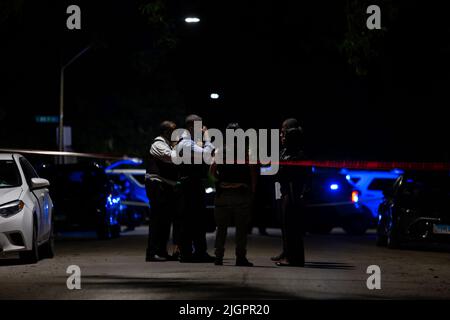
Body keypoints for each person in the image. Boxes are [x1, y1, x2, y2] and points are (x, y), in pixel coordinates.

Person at [210, 123, 258, 267]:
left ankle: (218, 257)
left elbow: (211, 172)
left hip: (223, 194)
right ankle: (240, 257)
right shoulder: (248, 152)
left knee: (221, 228)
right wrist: (252, 190)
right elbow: (253, 172)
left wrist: (219, 184)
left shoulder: (219, 151)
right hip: (241, 193)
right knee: (241, 229)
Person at [175, 114, 215, 263]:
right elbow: (207, 154)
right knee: (188, 220)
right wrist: (207, 138)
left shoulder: (191, 143)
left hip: (194, 184)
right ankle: (186, 253)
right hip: (188, 186)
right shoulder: (186, 143)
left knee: (198, 220)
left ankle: (199, 252)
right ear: (191, 127)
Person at [272, 118, 310, 267]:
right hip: (286, 192)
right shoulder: (287, 153)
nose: (282, 138)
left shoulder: (297, 155)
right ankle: (290, 255)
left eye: (284, 135)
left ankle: (294, 258)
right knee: (288, 226)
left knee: (293, 227)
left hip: (292, 193)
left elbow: (294, 175)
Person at [145, 121, 181, 262]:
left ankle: (161, 251)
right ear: (166, 132)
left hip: (165, 186)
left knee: (165, 221)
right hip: (157, 184)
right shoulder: (158, 144)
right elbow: (172, 158)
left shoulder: (167, 144)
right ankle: (152, 252)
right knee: (157, 220)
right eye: (173, 131)